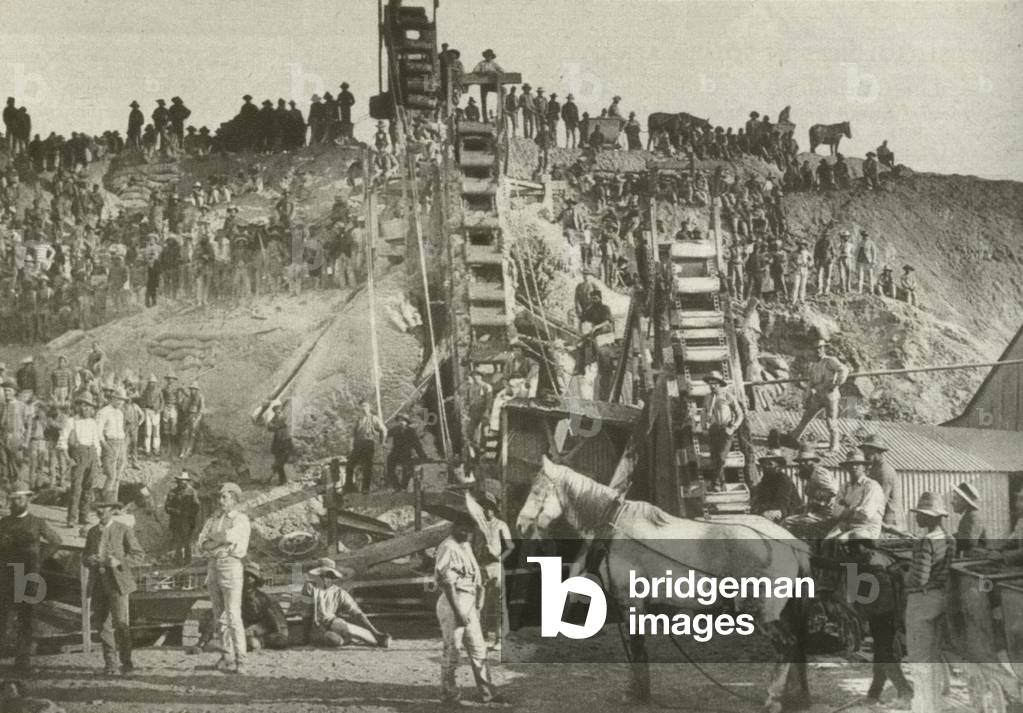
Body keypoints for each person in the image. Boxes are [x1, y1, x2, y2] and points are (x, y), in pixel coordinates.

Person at [435, 512, 502, 705]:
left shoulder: (464, 545)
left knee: (478, 648)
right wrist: (458, 612)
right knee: (452, 650)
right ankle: (448, 694)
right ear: (453, 527)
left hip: (469, 601)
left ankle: (487, 692)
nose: (466, 532)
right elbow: (448, 584)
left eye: (469, 529)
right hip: (453, 602)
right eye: (462, 528)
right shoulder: (448, 547)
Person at [0, 482, 63, 673]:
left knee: (26, 618)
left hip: (27, 576)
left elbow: (56, 541)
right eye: (13, 499)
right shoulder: (4, 523)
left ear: (27, 500)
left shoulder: (37, 522)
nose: (16, 502)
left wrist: (38, 560)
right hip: (5, 575)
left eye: (20, 498)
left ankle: (23, 661)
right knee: (2, 618)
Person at [845, 537, 913, 709]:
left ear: (865, 546)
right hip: (883, 613)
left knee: (884, 653)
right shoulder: (877, 559)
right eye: (850, 548)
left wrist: (869, 614)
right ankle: (874, 694)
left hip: (883, 614)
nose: (851, 551)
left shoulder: (872, 563)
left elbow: (882, 594)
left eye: (855, 547)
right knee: (881, 652)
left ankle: (904, 691)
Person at [904, 492, 954, 713]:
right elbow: (941, 572)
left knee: (919, 659)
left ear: (931, 518)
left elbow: (920, 577)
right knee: (933, 656)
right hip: (940, 597)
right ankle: (936, 704)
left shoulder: (925, 542)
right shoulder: (949, 539)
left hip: (921, 600)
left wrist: (902, 575)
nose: (917, 518)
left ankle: (923, 707)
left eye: (921, 515)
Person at [83, 499, 144, 676]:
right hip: (98, 583)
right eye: (98, 508)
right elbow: (84, 556)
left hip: (117, 583)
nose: (101, 511)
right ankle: (110, 664)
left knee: (121, 624)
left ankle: (127, 664)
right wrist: (89, 560)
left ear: (112, 510)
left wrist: (119, 561)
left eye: (105, 508)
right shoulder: (92, 532)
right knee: (103, 625)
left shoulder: (123, 529)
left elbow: (138, 555)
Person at [197, 482, 251, 674]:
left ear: (234, 499)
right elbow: (201, 543)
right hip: (213, 566)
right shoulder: (213, 519)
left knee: (233, 615)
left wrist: (214, 540)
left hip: (230, 565)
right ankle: (226, 655)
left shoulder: (240, 519)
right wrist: (213, 542)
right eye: (219, 497)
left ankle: (241, 658)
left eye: (225, 497)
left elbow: (230, 537)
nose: (220, 501)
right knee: (219, 614)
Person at [296, 557, 390, 648]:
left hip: (333, 622)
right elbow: (306, 615)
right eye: (323, 575)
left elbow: (357, 613)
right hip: (316, 627)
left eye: (330, 576)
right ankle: (346, 640)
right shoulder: (310, 587)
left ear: (333, 577)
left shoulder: (339, 592)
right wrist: (306, 638)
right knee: (333, 639)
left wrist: (375, 632)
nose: (327, 579)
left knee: (347, 629)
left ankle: (377, 638)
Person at [787, 339, 850, 452]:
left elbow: (844, 370)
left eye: (820, 349)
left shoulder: (830, 360)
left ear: (823, 349)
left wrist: (836, 384)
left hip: (831, 396)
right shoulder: (814, 365)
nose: (818, 351)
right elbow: (811, 383)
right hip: (818, 396)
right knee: (807, 416)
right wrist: (807, 397)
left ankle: (834, 446)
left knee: (831, 421)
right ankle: (793, 437)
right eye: (815, 349)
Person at [58, 392, 103, 526]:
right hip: (78, 456)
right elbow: (62, 441)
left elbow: (97, 442)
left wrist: (98, 460)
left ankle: (84, 515)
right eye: (83, 406)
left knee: (88, 488)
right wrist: (68, 459)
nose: (86, 409)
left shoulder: (93, 423)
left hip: (92, 455)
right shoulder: (71, 422)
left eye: (89, 406)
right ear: (78, 407)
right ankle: (71, 518)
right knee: (76, 488)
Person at [827, 448, 886, 540]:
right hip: (846, 525)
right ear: (846, 467)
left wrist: (846, 509)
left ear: (864, 467)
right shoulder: (845, 487)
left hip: (867, 527)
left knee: (840, 540)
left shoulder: (871, 486)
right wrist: (854, 510)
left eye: (857, 464)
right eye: (850, 465)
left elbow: (865, 514)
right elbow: (835, 511)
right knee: (826, 541)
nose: (853, 467)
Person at [701, 371, 745, 492]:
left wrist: (734, 426)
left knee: (721, 457)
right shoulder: (708, 397)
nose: (712, 386)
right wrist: (704, 427)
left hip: (726, 430)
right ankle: (721, 483)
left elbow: (740, 414)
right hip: (713, 430)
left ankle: (715, 483)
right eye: (710, 383)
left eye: (714, 383)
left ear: (719, 384)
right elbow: (704, 413)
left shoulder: (728, 396)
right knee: (714, 458)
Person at [860, 434, 901, 530]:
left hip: (888, 520)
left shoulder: (884, 471)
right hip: (880, 517)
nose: (866, 454)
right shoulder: (874, 468)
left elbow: (880, 500)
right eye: (865, 450)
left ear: (878, 451)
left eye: (869, 451)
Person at [345, 400, 386, 493]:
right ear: (359, 408)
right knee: (349, 465)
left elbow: (383, 430)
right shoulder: (357, 420)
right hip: (358, 445)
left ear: (369, 407)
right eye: (362, 406)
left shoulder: (373, 418)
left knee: (367, 466)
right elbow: (351, 434)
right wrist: (350, 446)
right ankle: (348, 486)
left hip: (368, 443)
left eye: (366, 406)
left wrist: (382, 442)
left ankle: (365, 488)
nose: (364, 408)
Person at [96, 386, 128, 501]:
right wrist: (106, 447)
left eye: (123, 400)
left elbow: (121, 430)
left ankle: (113, 501)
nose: (121, 402)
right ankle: (105, 501)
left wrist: (123, 446)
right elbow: (98, 433)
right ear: (112, 398)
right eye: (118, 399)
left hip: (121, 444)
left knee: (118, 476)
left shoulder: (120, 413)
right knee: (111, 475)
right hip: (110, 443)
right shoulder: (103, 412)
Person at [750, 453, 800, 523]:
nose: (766, 466)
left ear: (778, 467)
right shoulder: (765, 480)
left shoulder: (783, 480)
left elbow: (783, 500)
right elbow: (762, 498)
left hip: (788, 510)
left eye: (770, 464)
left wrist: (767, 511)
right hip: (773, 508)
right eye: (764, 464)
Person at [165, 471, 201, 565]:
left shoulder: (192, 491)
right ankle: (178, 561)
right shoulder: (172, 492)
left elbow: (196, 506)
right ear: (177, 481)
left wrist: (189, 514)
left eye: (184, 480)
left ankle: (188, 561)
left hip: (188, 521)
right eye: (180, 480)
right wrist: (176, 511)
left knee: (187, 542)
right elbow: (167, 507)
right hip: (176, 521)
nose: (182, 482)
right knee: (177, 541)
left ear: (187, 481)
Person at [385, 414, 428, 491]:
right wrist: (384, 442)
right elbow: (386, 434)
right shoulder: (395, 430)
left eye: (403, 420)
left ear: (406, 422)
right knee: (389, 467)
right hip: (395, 453)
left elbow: (417, 445)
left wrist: (423, 456)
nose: (401, 422)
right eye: (399, 420)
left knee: (408, 469)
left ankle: (404, 486)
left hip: (406, 454)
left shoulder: (410, 431)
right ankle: (396, 486)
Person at [951, 481, 986, 556]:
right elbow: (962, 535)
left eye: (955, 498)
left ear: (965, 502)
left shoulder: (972, 517)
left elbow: (968, 543)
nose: (952, 502)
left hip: (975, 561)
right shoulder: (969, 515)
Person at [471, 49, 504, 123]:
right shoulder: (481, 63)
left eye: (489, 56)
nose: (488, 57)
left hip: (492, 85)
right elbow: (475, 71)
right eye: (487, 56)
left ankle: (500, 112)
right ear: (485, 56)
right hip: (484, 85)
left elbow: (502, 71)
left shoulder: (494, 64)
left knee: (503, 90)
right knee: (483, 101)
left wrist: (494, 72)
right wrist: (484, 73)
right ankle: (485, 119)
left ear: (491, 57)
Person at [267, 402, 294, 485]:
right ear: (274, 411)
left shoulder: (284, 416)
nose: (277, 411)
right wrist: (275, 426)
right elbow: (269, 427)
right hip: (278, 441)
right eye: (276, 410)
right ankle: (282, 480)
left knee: (284, 459)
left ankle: (284, 478)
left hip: (286, 440)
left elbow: (284, 421)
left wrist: (276, 425)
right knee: (279, 460)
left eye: (279, 409)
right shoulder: (275, 419)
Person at [138, 375, 163, 455]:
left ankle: (156, 449)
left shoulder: (159, 391)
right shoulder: (145, 391)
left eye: (153, 383)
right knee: (148, 431)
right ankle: (147, 449)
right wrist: (144, 408)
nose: (152, 384)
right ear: (148, 383)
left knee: (156, 431)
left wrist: (160, 409)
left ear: (155, 383)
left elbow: (162, 402)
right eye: (150, 383)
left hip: (156, 412)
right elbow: (142, 401)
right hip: (148, 411)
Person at [179, 381, 205, 458]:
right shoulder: (189, 397)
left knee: (192, 434)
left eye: (194, 389)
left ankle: (189, 450)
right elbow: (184, 408)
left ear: (197, 390)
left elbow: (201, 410)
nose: (192, 391)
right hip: (188, 416)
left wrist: (197, 420)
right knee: (185, 434)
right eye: (191, 389)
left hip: (195, 417)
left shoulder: (200, 397)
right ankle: (183, 450)